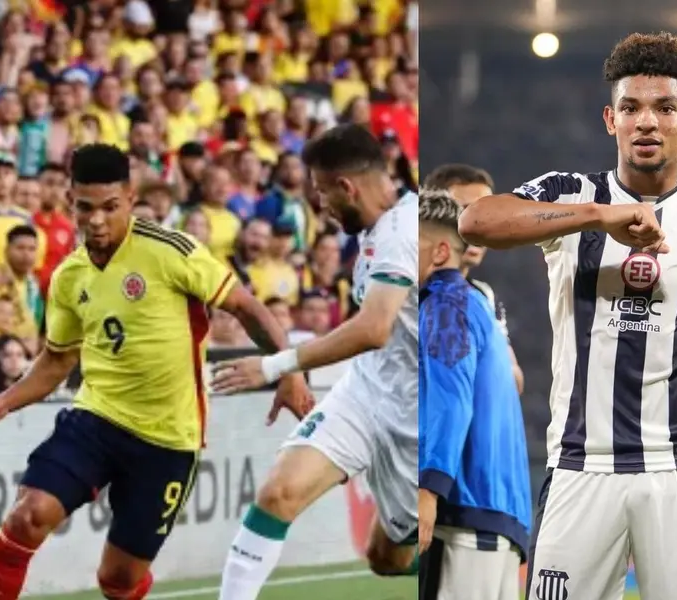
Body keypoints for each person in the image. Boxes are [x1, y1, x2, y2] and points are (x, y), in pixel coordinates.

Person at [459, 32, 677, 600]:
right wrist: (596, 217)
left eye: (665, 108)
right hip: (580, 466)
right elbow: (477, 221)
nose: (647, 123)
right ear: (611, 119)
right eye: (631, 108)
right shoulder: (570, 196)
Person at [0, 143, 314, 600]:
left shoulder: (172, 252)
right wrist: (5, 402)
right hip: (95, 420)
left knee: (119, 580)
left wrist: (288, 370)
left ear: (129, 198)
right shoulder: (69, 277)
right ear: (71, 202)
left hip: (168, 439)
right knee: (28, 515)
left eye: (110, 207)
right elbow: (58, 360)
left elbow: (245, 306)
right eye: (85, 208)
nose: (97, 221)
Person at [212, 124, 419, 598]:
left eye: (322, 192)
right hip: (365, 393)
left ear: (347, 187)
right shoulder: (376, 228)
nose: (319, 204)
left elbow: (373, 328)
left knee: (387, 560)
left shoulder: (404, 231)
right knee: (278, 493)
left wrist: (274, 366)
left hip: (416, 415)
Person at [416, 189, 532, 599]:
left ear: (440, 251)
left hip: (465, 513)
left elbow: (451, 403)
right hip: (499, 514)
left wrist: (428, 490)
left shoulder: (443, 305)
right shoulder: (477, 305)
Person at [423, 163, 524, 394]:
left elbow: (514, 380)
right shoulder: (414, 292)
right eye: (464, 210)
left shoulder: (484, 296)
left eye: (488, 213)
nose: (479, 223)